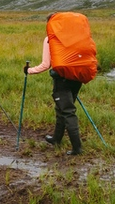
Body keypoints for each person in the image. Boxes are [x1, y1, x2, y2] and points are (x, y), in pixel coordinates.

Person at [25, 15, 82, 155]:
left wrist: (29, 70)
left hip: (61, 80)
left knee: (67, 111)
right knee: (62, 109)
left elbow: (45, 64)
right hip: (77, 78)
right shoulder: (76, 36)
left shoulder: (51, 39)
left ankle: (77, 148)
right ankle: (56, 138)